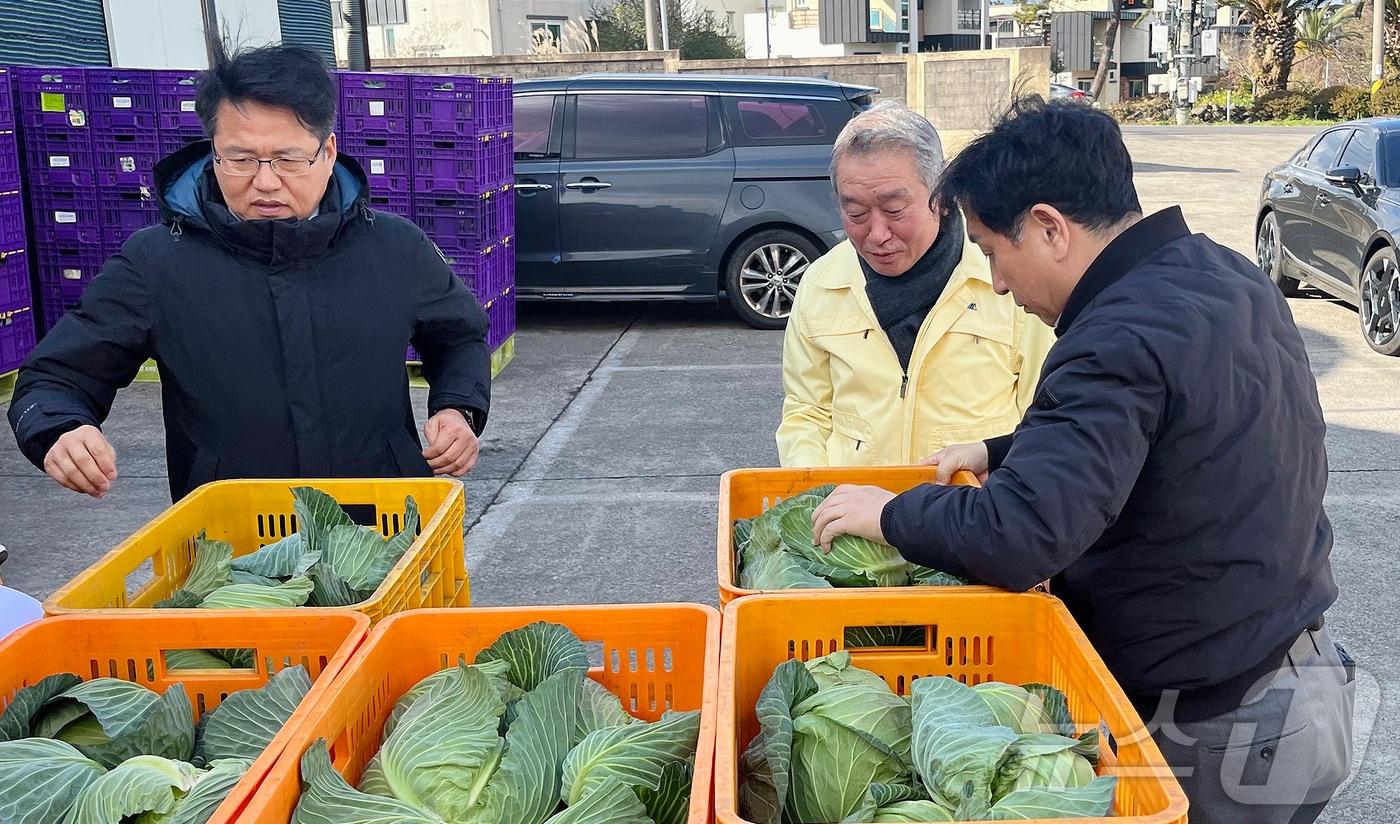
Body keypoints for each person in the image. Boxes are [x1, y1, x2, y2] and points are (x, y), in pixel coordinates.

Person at [811, 98, 1353, 823]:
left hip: (1220, 728)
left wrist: (889, 512)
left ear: (1048, 228)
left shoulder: (1113, 337)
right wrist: (1000, 450)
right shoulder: (1217, 272)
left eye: (993, 252)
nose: (998, 283)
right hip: (1301, 679)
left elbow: (1021, 535)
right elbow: (1169, 430)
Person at [8, 45, 491, 501]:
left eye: (287, 159)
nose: (264, 181)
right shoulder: (157, 263)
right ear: (213, 151)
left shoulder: (395, 248)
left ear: (327, 152)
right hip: (233, 550)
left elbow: (459, 338)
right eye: (240, 159)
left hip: (384, 524)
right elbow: (57, 376)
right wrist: (60, 427)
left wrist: (457, 408)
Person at [776, 101, 1053, 467]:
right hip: (854, 517)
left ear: (940, 197)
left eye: (894, 210)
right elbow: (806, 412)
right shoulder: (823, 283)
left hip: (968, 515)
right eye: (855, 213)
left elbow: (1045, 421)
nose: (876, 235)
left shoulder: (1007, 282)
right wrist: (813, 492)